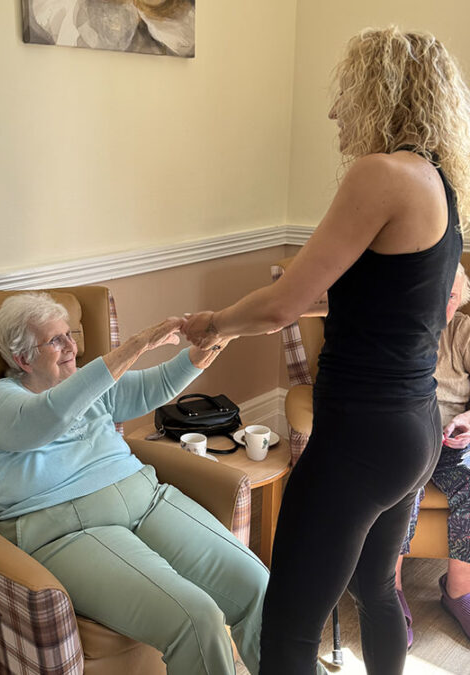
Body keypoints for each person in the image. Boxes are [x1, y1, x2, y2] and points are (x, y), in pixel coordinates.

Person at [181, 27, 470, 674]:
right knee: (375, 589)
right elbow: (377, 299)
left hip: (361, 434)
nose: (336, 110)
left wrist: (215, 324)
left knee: (287, 629)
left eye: (346, 92)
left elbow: (283, 304)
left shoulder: (382, 174)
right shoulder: (440, 187)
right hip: (413, 426)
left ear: (382, 91)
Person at [0, 292, 294, 675]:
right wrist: (137, 345)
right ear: (22, 358)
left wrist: (207, 345)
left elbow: (150, 387)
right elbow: (51, 414)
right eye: (55, 340)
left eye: (69, 334)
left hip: (145, 497)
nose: (71, 346)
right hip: (67, 530)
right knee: (198, 619)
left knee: (259, 585)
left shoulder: (86, 383)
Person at [396, 264, 470, 644]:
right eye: (436, 293)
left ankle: (457, 590)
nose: (443, 303)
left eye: (452, 296)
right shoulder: (396, 330)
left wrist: (468, 422)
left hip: (454, 439)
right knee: (403, 482)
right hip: (406, 438)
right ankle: (388, 589)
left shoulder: (463, 333)